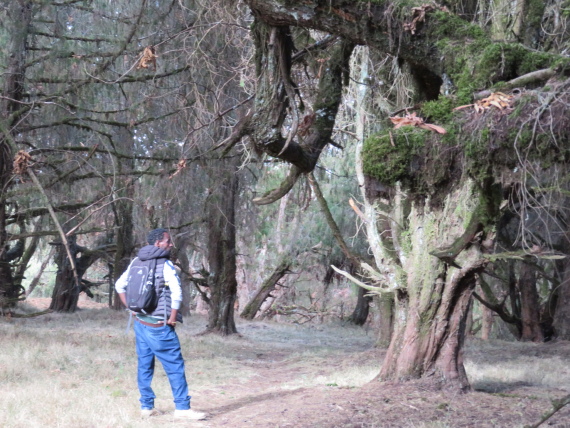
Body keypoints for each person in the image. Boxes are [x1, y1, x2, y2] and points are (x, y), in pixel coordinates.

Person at [115, 228, 206, 420]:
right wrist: (173, 318)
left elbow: (119, 286)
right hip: (159, 326)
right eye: (167, 241)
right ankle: (182, 409)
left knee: (145, 365)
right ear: (158, 243)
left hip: (140, 323)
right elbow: (177, 293)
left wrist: (131, 308)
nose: (170, 244)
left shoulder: (136, 260)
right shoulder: (164, 264)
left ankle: (146, 407)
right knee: (174, 366)